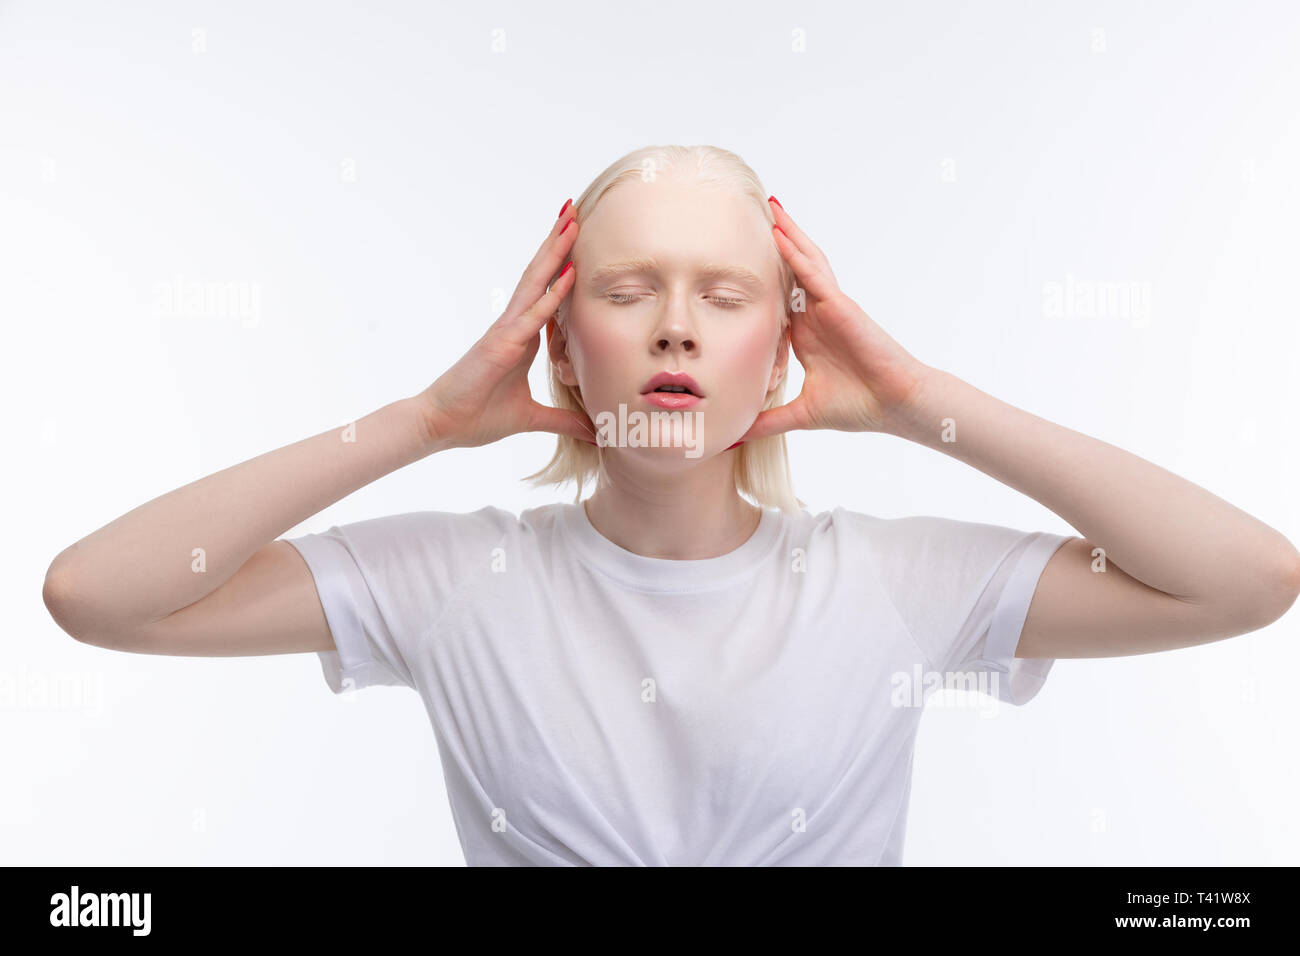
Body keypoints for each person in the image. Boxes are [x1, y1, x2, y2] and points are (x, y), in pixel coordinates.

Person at [42, 144, 1300, 866]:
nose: (678, 327)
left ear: (785, 341)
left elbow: (1244, 577)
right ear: (559, 341)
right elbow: (97, 593)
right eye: (630, 287)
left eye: (727, 294)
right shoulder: (449, 579)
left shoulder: (894, 582)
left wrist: (920, 397)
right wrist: (425, 421)